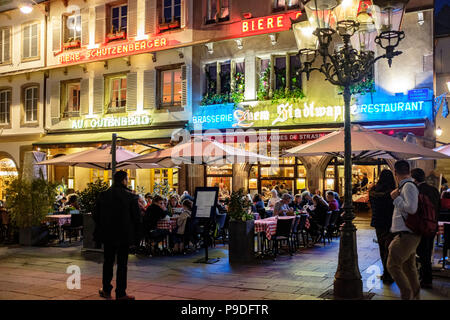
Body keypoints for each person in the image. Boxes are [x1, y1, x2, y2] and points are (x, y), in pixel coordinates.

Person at [93, 170, 140, 300]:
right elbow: (137, 218)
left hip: (108, 235)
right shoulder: (130, 196)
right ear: (124, 180)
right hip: (124, 236)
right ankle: (121, 293)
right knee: (122, 264)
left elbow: (96, 215)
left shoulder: (103, 195)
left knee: (108, 262)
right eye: (127, 179)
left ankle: (106, 290)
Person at [387, 160, 421, 300]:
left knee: (392, 266)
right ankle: (415, 296)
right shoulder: (406, 186)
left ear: (395, 172)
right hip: (408, 234)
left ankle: (407, 295)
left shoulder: (408, 186)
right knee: (409, 268)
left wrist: (396, 198)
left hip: (406, 235)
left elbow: (412, 209)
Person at [411, 168, 440, 289]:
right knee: (427, 252)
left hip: (422, 226)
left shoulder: (416, 190)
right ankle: (427, 278)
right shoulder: (433, 190)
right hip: (433, 225)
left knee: (421, 253)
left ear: (414, 179)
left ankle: (425, 279)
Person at [369, 169, 396, 284]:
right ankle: (388, 274)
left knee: (382, 248)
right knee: (389, 248)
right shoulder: (392, 192)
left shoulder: (373, 191)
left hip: (378, 222)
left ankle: (386, 272)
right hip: (390, 222)